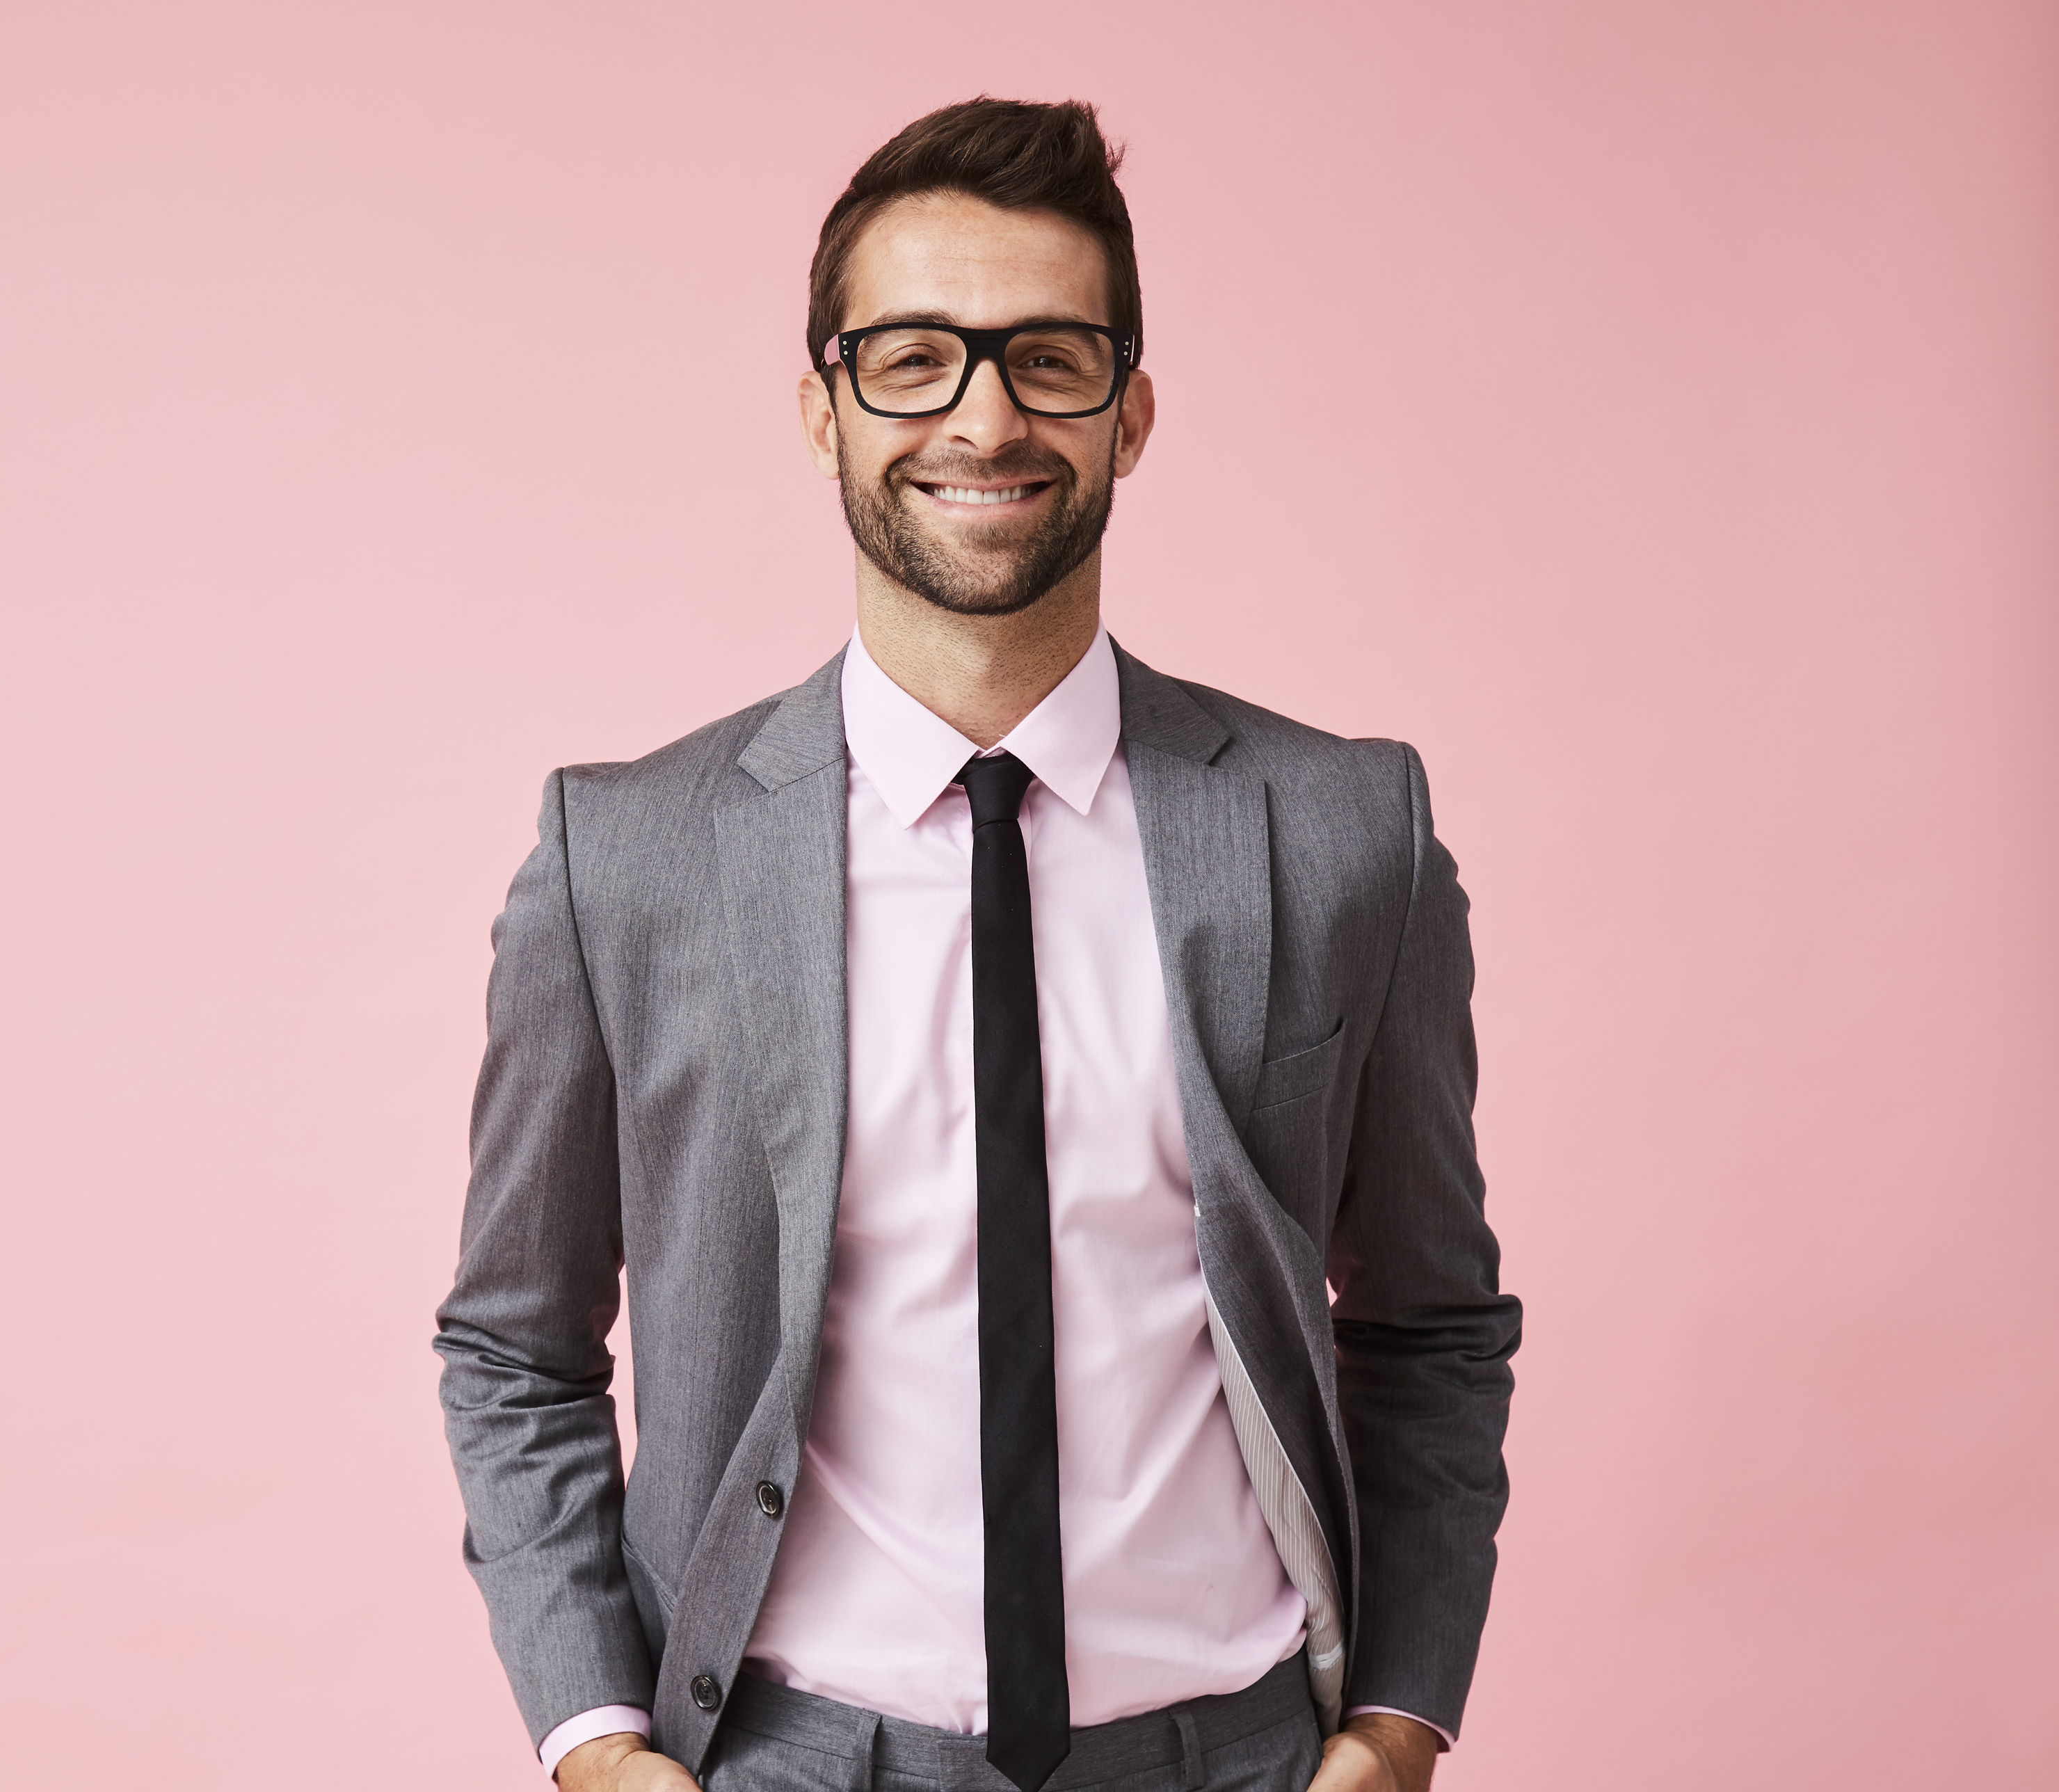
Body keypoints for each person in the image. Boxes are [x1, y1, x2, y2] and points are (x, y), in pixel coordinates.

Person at [435, 98, 1518, 1792]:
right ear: (823, 409)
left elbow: (1434, 1325)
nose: (985, 414)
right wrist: (600, 1745)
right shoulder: (623, 857)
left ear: (1132, 411)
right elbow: (514, 1346)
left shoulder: (1342, 831)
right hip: (793, 1752)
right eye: (914, 358)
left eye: (1051, 357)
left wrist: (1391, 1733)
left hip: (1227, 1753)